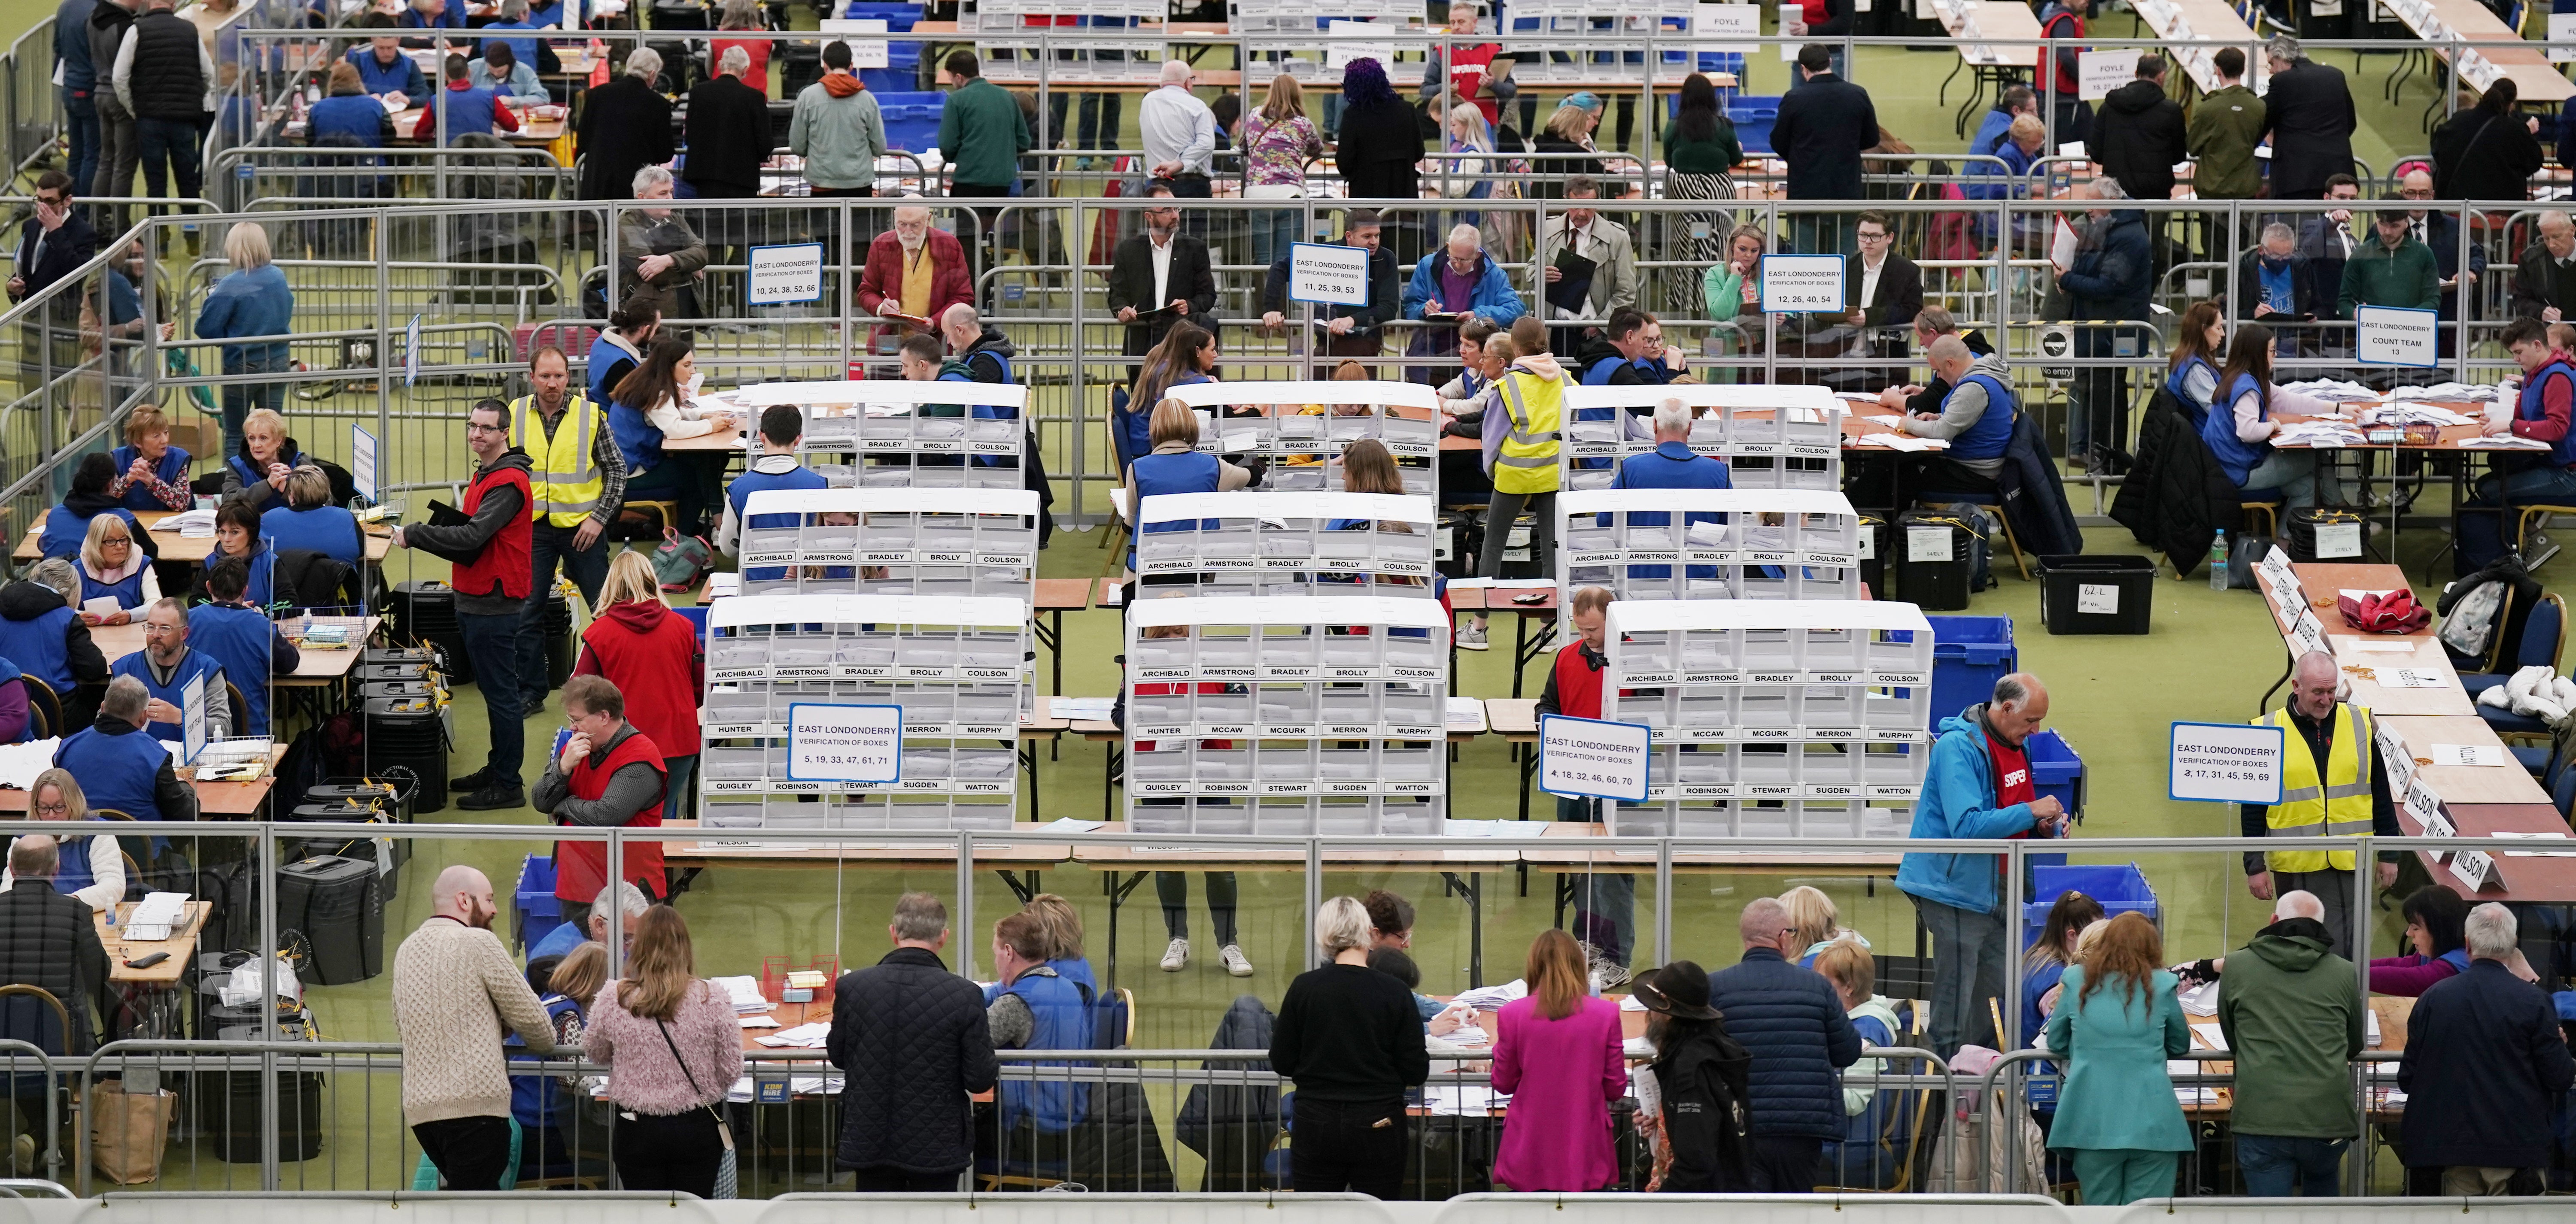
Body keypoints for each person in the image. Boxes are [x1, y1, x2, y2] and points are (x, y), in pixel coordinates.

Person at [1897, 673, 2069, 1056]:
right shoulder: (1956, 749)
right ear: (2006, 708)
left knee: (1995, 1001)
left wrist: (2043, 825)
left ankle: (1980, 1085)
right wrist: (2030, 810)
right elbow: (1968, 826)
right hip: (1957, 892)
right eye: (2030, 720)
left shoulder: (2015, 744)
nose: (2037, 730)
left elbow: (2012, 810)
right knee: (1956, 1003)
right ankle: (1943, 1092)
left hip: (2001, 890)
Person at [389, 399, 532, 812]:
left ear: (504, 433)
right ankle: (499, 768)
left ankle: (508, 784)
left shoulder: (506, 483)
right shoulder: (487, 472)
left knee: (502, 695)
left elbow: (473, 538)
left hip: (494, 602)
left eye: (487, 428)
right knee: (493, 691)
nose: (477, 434)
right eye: (472, 426)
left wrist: (414, 533)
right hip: (478, 595)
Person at [393, 864, 556, 1191]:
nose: (495, 909)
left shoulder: (406, 950)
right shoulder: (478, 942)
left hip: (423, 1115)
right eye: (490, 899)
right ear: (464, 901)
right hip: (475, 1111)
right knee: (475, 1208)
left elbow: (408, 1024)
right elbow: (539, 1029)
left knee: (468, 1202)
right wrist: (501, 1026)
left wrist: (485, 1023)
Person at [2398, 903, 2575, 1195]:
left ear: (2467, 945)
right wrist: (2558, 1046)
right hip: (2515, 1154)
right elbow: (2560, 1077)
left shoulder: (2432, 999)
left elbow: (2408, 1078)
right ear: (2513, 946)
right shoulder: (2534, 1003)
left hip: (2445, 1153)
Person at [2238, 649, 2403, 957]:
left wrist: (2390, 852)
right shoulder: (2265, 730)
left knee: (2345, 948)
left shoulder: (2361, 725)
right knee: (2297, 944)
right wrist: (2254, 864)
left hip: (2351, 857)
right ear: (2296, 687)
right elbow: (2253, 808)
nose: (2327, 700)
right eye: (2318, 692)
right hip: (2295, 863)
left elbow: (2380, 793)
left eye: (2332, 691)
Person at [828, 893, 996, 1192]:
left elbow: (839, 1056)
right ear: (943, 938)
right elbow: (980, 1078)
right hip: (936, 1144)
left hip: (870, 1137)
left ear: (893, 933)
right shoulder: (965, 994)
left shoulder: (853, 988)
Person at [1269, 895, 1430, 1196]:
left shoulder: (1304, 988)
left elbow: (1282, 1060)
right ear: (1368, 931)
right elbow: (1415, 1069)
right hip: (1378, 1123)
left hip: (1315, 1122)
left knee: (1316, 1214)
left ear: (1323, 935)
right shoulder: (1395, 992)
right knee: (1379, 1213)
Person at [582, 905, 743, 1198]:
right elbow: (731, 1069)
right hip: (696, 1126)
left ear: (639, 946)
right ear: (685, 947)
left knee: (646, 1213)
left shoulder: (615, 997)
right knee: (693, 1213)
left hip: (636, 1127)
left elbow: (596, 1052)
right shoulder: (712, 998)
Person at [1704, 896, 1863, 1192]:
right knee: (1795, 1211)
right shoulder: (1817, 986)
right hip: (1802, 1126)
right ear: (1782, 938)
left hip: (1740, 1125)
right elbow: (1848, 1051)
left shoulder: (1715, 988)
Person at [2215, 890, 2364, 1198]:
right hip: (2326, 1117)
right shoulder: (2343, 971)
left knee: (2269, 1216)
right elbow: (2354, 1042)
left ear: (2273, 921)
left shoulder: (2237, 966)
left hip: (2261, 1116)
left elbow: (2233, 1038)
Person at [2041, 911, 2190, 1206]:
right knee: (2147, 1216)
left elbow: (2056, 1040)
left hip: (2091, 1121)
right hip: (2154, 1122)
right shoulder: (2163, 985)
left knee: (2100, 1215)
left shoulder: (2075, 979)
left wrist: (2088, 1049)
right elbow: (2179, 1042)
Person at [507, 344, 622, 711]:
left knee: (606, 612)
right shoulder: (514, 414)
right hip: (533, 530)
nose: (552, 383)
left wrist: (599, 519)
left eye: (559, 376)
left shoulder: (591, 416)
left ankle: (615, 690)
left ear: (568, 377)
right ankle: (531, 693)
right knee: (527, 613)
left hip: (583, 529)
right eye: (545, 376)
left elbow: (616, 471)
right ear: (532, 377)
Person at [1532, 585, 1633, 963]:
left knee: (1615, 873)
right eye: (1580, 629)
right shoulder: (1565, 658)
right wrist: (1546, 722)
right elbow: (1548, 705)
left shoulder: (1637, 660)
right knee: (1579, 867)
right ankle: (1587, 940)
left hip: (1619, 781)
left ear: (1614, 621)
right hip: (1573, 780)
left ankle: (1617, 956)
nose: (1584, 637)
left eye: (1592, 630)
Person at [1462, 321, 1571, 649]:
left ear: (1516, 348)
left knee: (1492, 546)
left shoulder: (1506, 388)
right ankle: (1550, 629)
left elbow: (1490, 439)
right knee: (1552, 547)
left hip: (1512, 477)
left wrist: (1492, 472)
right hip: (1553, 475)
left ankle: (1479, 628)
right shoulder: (1568, 380)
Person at [1492, 928, 1625, 1191]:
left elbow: (1503, 1082)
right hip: (1585, 1147)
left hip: (1530, 1146)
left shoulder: (1512, 1014)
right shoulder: (1606, 1014)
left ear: (1534, 965)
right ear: (1579, 965)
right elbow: (1615, 1087)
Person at [572, 551, 702, 819]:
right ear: (652, 581)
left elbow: (578, 697)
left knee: (628, 825)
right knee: (661, 818)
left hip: (624, 749)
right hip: (679, 744)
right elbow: (701, 689)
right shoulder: (685, 628)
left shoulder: (599, 634)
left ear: (611, 586)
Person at [534, 674, 668, 928]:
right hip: (576, 890)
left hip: (628, 897)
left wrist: (562, 806)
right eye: (570, 720)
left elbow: (607, 815)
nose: (572, 728)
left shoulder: (639, 758)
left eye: (577, 720)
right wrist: (562, 769)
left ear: (604, 717)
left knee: (632, 965)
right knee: (582, 966)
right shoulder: (577, 749)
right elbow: (541, 801)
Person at [1630, 960, 1751, 1191]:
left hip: (1700, 1203)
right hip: (1725, 1191)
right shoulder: (1715, 1049)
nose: (1649, 1015)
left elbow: (1696, 1160)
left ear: (1667, 1015)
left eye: (1652, 1008)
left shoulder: (1691, 1068)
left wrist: (1664, 1202)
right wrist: (1664, 1123)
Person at [979, 909, 1094, 1149]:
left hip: (1031, 1133)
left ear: (1009, 952)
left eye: (996, 953)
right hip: (1070, 1120)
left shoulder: (1016, 1004)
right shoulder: (1066, 987)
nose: (995, 961)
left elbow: (968, 1042)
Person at [2202, 323, 2345, 511]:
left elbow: (2292, 401)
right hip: (2239, 472)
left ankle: (2284, 541)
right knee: (2318, 453)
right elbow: (2248, 432)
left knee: (2308, 487)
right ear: (2257, 354)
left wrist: (2340, 408)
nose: (2276, 355)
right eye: (2272, 351)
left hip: (2231, 466)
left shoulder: (2240, 377)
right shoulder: (2247, 388)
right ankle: (2344, 512)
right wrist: (2272, 425)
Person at [0, 836, 109, 1079]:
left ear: (11, 869)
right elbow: (99, 976)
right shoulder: (75, 912)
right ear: (57, 868)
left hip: (4, 1048)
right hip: (64, 1049)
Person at [2059, 180, 2150, 473]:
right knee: (2101, 394)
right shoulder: (2112, 227)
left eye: (2093, 203)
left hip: (2113, 332)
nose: (2088, 209)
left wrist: (2067, 280)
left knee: (2109, 396)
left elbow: (2108, 285)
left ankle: (2109, 460)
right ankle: (2099, 456)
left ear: (2111, 202)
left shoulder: (2128, 236)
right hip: (2101, 328)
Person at [610, 333, 730, 539]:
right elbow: (674, 430)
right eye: (687, 365)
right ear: (669, 366)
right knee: (698, 477)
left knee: (709, 460)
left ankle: (713, 522)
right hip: (630, 474)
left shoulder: (648, 382)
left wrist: (703, 416)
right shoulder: (657, 391)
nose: (693, 371)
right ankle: (682, 538)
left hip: (630, 465)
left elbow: (671, 414)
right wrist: (710, 425)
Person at [194, 224, 293, 467]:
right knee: (273, 434)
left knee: (236, 434)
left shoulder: (231, 285)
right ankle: (277, 484)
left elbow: (206, 329)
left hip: (242, 366)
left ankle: (234, 489)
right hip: (278, 361)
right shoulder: (279, 277)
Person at [1124, 396, 1252, 576]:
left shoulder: (1137, 469)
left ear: (1153, 429)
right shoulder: (1214, 467)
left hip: (1149, 568)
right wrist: (1255, 469)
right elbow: (1251, 477)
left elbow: (1130, 523)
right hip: (1200, 568)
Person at [1814, 939, 1905, 1188]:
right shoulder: (1853, 1022)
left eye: (1823, 982)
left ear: (1849, 987)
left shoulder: (1867, 1030)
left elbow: (1854, 1101)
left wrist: (1805, 1086)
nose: (1815, 988)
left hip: (1845, 1155)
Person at [1609, 398, 1728, 588]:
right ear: (1690, 427)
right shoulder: (1719, 472)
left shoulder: (1631, 468)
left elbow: (1606, 522)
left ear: (1654, 425)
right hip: (1700, 585)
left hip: (1641, 584)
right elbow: (1727, 528)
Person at [109, 0, 213, 216]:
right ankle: (192, 234)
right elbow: (208, 74)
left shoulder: (136, 31)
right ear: (173, 4)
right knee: (187, 180)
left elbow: (119, 78)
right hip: (184, 119)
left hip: (150, 118)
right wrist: (193, 99)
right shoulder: (189, 30)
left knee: (156, 183)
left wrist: (134, 108)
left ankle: (160, 239)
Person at [1770, 45, 1875, 254]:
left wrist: (1799, 158)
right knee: (1845, 261)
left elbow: (1778, 141)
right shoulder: (1857, 94)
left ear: (1803, 69)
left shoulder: (1794, 98)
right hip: (1846, 191)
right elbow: (1872, 138)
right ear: (1830, 62)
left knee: (1805, 264)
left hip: (1805, 193)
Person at [1256, 208, 1396, 364]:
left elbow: (1389, 307)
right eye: (1367, 236)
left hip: (1364, 339)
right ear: (1349, 236)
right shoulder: (1328, 252)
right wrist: (1271, 309)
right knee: (1317, 379)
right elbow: (1280, 268)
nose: (1374, 242)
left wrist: (1352, 320)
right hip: (1325, 340)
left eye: (1377, 235)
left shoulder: (1386, 258)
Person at [53, 673, 195, 826]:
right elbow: (186, 817)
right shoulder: (155, 757)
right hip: (140, 848)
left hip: (84, 845)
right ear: (143, 717)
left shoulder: (67, 748)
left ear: (102, 707)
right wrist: (184, 785)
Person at [2468, 316, 2576, 506]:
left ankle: (2512, 532)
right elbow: (2520, 415)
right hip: (2550, 463)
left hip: (2567, 473)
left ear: (2537, 345)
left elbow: (2557, 428)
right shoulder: (2533, 372)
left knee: (2490, 490)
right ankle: (2517, 530)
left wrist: (2510, 425)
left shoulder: (2558, 376)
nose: (2515, 359)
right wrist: (2496, 420)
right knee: (2486, 482)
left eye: (2519, 352)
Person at [1107, 184, 1218, 365]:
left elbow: (1208, 295)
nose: (1175, 215)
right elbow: (1117, 294)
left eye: (1176, 208)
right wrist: (1122, 310)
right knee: (1142, 392)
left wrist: (1189, 305)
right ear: (1149, 217)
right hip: (1143, 336)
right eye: (1167, 210)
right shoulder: (1129, 249)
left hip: (1181, 338)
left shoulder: (1194, 248)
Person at [1402, 222, 1527, 382]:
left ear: (1477, 255)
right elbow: (1410, 305)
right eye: (1453, 257)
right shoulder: (1428, 266)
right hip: (1430, 352)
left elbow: (1516, 310)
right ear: (1448, 247)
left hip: (1478, 359)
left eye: (1465, 260)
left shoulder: (1494, 274)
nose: (1458, 264)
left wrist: (1478, 315)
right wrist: (1424, 309)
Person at [188, 556, 294, 737]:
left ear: (208, 587)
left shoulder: (187, 620)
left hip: (197, 730)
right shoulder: (260, 625)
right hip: (250, 732)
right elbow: (290, 663)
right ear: (245, 590)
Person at [715, 403, 827, 574]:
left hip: (755, 582)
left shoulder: (739, 488)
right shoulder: (819, 485)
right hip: (807, 581)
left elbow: (728, 548)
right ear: (798, 439)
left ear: (761, 436)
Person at [1898, 335, 2016, 492]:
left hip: (1976, 473)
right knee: (1901, 466)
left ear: (1950, 364)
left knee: (1896, 471)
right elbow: (1974, 418)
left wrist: (1908, 424)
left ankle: (1872, 515)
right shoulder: (1985, 377)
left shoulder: (1973, 388)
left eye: (1938, 371)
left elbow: (1942, 432)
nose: (1938, 376)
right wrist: (1939, 417)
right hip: (1980, 465)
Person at [1, 559, 108, 725]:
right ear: (71, 589)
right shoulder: (67, 618)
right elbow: (94, 669)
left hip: (6, 707)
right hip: (57, 710)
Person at [1538, 176, 1640, 351]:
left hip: (1597, 334)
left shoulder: (1617, 237)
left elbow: (1626, 291)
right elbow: (1531, 268)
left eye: (1588, 206)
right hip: (1554, 330)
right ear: (1565, 201)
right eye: (1576, 206)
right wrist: (1541, 274)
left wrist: (1601, 324)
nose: (1582, 213)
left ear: (1598, 203)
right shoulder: (1548, 230)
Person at [108, 597, 228, 744]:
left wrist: (180, 717)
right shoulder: (126, 668)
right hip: (138, 759)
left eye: (165, 629)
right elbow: (104, 723)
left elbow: (224, 727)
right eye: (151, 627)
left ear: (184, 634)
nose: (156, 635)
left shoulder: (207, 670)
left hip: (191, 763)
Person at [1235, 75, 1323, 270]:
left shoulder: (1255, 116)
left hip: (1257, 194)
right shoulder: (1303, 124)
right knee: (1285, 262)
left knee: (1264, 261)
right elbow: (1317, 149)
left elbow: (1243, 146)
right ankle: (1284, 300)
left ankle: (1266, 300)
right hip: (1290, 194)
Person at [2, 770, 122, 911]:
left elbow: (114, 885)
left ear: (73, 804)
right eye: (44, 808)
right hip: (35, 914)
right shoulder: (24, 838)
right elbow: (8, 887)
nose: (51, 815)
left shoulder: (98, 832)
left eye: (59, 807)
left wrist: (72, 902)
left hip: (83, 913)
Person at [2260, 37, 2356, 200]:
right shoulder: (2335, 75)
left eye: (2271, 63)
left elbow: (2262, 120)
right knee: (2336, 224)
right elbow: (2351, 122)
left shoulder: (2282, 82)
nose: (2271, 70)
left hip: (2296, 179)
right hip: (2338, 176)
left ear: (2281, 58)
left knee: (2295, 225)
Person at [789, 40, 887, 198]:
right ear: (851, 66)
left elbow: (798, 145)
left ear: (825, 66)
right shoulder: (867, 100)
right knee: (858, 224)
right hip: (859, 182)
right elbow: (879, 147)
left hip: (822, 181)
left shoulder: (807, 97)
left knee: (823, 224)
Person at [857, 205, 971, 339]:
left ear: (928, 219)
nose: (908, 231)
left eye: (915, 225)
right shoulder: (881, 244)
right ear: (895, 217)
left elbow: (963, 296)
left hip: (935, 342)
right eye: (902, 224)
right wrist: (881, 307)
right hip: (890, 338)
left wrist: (935, 322)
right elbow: (866, 292)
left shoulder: (949, 246)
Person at [575, 48, 672, 202]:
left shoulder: (596, 95)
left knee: (599, 224)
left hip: (598, 180)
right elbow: (665, 153)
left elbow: (583, 139)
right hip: (636, 186)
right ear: (653, 74)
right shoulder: (659, 104)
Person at [936, 51, 1029, 203]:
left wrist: (957, 157)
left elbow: (947, 145)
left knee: (966, 225)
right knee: (995, 224)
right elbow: (1024, 141)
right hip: (1003, 181)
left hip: (969, 178)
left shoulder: (956, 100)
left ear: (959, 77)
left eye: (951, 79)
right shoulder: (1007, 96)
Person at [2431, 78, 2542, 205]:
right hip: (2502, 208)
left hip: (2454, 204)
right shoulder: (2515, 130)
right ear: (2512, 104)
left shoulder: (2457, 121)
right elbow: (2534, 162)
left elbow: (2438, 152)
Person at [616, 166, 706, 321]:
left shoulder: (675, 218)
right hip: (645, 312)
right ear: (642, 197)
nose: (670, 199)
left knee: (684, 347)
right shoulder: (626, 223)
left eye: (671, 192)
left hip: (683, 305)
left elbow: (702, 253)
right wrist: (689, 267)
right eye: (663, 194)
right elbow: (653, 274)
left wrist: (668, 260)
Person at [2018, 890, 2103, 1053]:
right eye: (2095, 935)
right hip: (2041, 1069)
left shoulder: (2037, 958)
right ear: (2072, 935)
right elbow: (2062, 1036)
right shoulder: (2055, 979)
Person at [2094, 55, 2185, 203]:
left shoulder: (2109, 107)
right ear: (2161, 76)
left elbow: (2097, 153)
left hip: (2116, 194)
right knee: (2152, 226)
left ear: (2136, 73)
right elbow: (2178, 156)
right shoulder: (2171, 111)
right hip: (2155, 195)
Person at [1333, 58, 1423, 205]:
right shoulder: (1407, 110)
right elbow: (1419, 152)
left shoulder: (1353, 115)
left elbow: (1345, 163)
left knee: (1367, 228)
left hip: (1366, 198)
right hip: (1404, 195)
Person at [679, 46, 765, 199]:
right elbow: (764, 141)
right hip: (742, 176)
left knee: (708, 220)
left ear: (719, 65)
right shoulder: (754, 98)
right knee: (741, 221)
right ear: (745, 69)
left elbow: (690, 134)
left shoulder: (698, 93)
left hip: (705, 174)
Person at [1877, 306, 1997, 415]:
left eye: (1921, 337)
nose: (1921, 343)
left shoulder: (1964, 357)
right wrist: (1925, 391)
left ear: (1933, 333)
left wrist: (1892, 399)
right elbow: (1950, 393)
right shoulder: (1971, 348)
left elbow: (1928, 405)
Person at [1418, 1, 1513, 130]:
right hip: (1452, 127)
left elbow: (1510, 91)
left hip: (1486, 124)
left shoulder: (1493, 51)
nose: (1456, 27)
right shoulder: (1442, 52)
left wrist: (1493, 85)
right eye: (1452, 22)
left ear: (1474, 23)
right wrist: (1445, 88)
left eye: (1461, 22)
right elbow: (1425, 92)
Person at [2187, 48, 2265, 203]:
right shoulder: (2259, 106)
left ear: (2218, 70)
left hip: (2212, 188)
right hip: (2245, 187)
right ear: (2243, 69)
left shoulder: (2207, 108)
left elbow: (2192, 146)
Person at [85, 0, 141, 216]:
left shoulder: (93, 19)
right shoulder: (126, 27)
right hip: (121, 98)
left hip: (100, 93)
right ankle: (121, 228)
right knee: (124, 166)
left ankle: (97, 223)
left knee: (106, 161)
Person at [2367, 884, 2473, 996]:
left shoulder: (2452, 968)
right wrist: (2353, 967)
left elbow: (2405, 979)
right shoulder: (2440, 950)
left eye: (2416, 928)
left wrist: (2351, 974)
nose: (2409, 933)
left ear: (2439, 930)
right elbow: (2401, 964)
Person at [38, 452, 141, 563]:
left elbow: (43, 546)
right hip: (99, 579)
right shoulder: (123, 519)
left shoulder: (56, 514)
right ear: (110, 484)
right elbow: (151, 552)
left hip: (56, 577)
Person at [1138, 58, 1216, 199]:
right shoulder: (1197, 105)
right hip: (1192, 184)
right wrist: (1181, 163)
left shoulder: (1148, 101)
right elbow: (1207, 143)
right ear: (1188, 82)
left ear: (1162, 82)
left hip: (1156, 186)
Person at [258, 466, 363, 567]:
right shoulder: (346, 518)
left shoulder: (270, 520)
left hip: (286, 584)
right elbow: (362, 551)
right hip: (341, 584)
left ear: (292, 495)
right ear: (327, 492)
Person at [2297, 176, 2365, 326]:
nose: (2348, 203)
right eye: (2342, 197)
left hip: (2350, 313)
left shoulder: (2353, 238)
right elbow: (2308, 249)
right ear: (2327, 198)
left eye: (2353, 199)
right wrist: (2332, 222)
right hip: (2325, 315)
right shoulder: (2312, 226)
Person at [527, 880, 646, 963]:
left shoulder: (612, 943)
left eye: (637, 938)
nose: (631, 947)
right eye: (625, 937)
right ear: (600, 925)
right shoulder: (558, 958)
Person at [411, 52, 518, 142]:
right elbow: (513, 126)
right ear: (469, 72)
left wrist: (437, 133)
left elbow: (419, 135)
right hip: (484, 160)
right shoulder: (488, 97)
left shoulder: (437, 100)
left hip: (450, 161)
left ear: (446, 75)